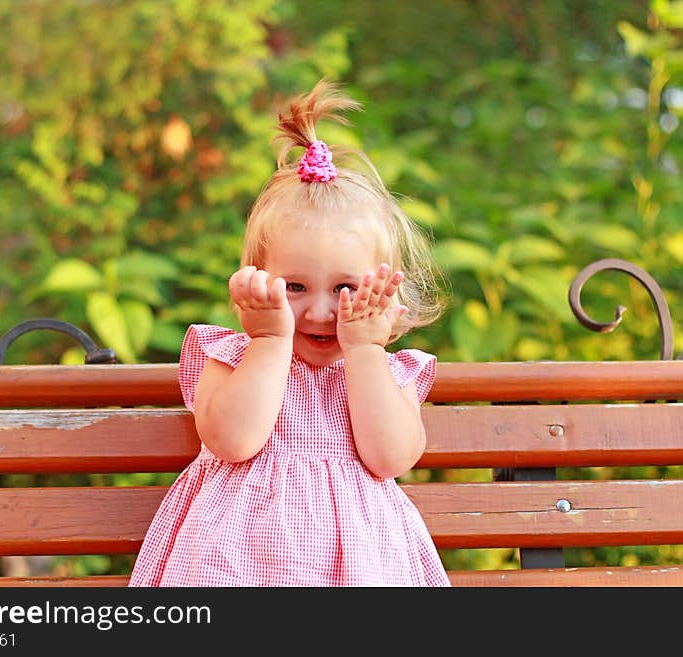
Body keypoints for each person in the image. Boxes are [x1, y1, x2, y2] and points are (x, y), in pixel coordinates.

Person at [128, 79, 448, 586]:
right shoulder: (232, 356)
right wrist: (271, 342)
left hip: (358, 567)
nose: (320, 311)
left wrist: (364, 350)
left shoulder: (386, 372)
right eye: (295, 286)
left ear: (382, 287)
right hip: (236, 564)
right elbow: (234, 442)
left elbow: (390, 459)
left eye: (344, 286)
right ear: (258, 277)